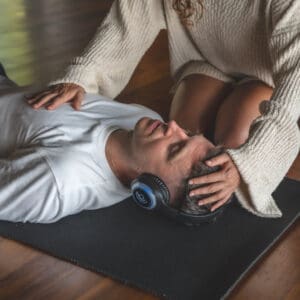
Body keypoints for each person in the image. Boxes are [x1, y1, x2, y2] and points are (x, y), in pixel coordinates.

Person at [27, 0, 300, 218]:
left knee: (234, 146)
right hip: (207, 62)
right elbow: (127, 25)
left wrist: (250, 161)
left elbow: (295, 77)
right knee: (179, 140)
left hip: (268, 75)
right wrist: (80, 76)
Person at [0, 70, 231, 223]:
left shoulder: (60, 181)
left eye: (174, 148)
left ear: (149, 189)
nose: (172, 126)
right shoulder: (144, 119)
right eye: (188, 134)